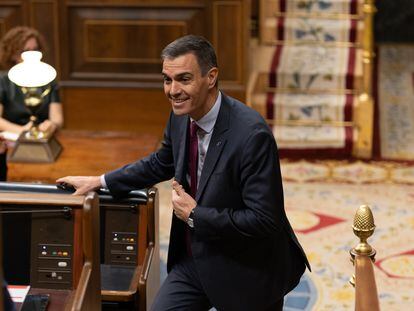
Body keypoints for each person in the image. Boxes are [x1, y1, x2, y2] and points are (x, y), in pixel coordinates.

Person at [57, 35, 310, 311]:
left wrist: (195, 215)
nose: (173, 90)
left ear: (211, 77)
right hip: (196, 260)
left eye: (184, 79)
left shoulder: (251, 135)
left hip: (248, 269)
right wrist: (100, 181)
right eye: (167, 80)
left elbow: (264, 220)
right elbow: (161, 162)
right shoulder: (180, 115)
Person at [0, 26, 63, 136]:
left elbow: (57, 119)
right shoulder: (3, 81)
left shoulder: (48, 78)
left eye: (35, 50)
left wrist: (51, 125)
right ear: (13, 53)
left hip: (41, 136)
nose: (31, 55)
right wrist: (23, 130)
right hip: (12, 138)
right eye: (25, 51)